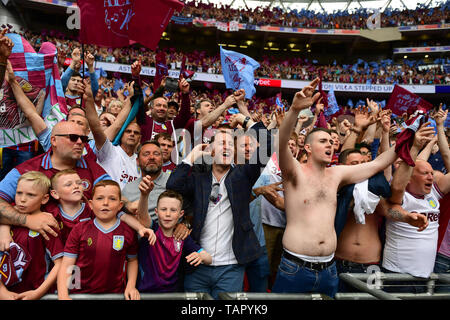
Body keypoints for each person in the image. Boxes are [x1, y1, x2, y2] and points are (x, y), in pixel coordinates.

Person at [273, 78, 402, 298]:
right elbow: (281, 142)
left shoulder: (337, 174)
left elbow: (378, 164)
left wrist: (408, 141)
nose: (330, 145)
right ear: (307, 148)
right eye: (323, 141)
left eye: (331, 142)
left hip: (329, 270)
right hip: (295, 268)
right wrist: (294, 109)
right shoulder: (294, 172)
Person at [167, 110, 271, 299]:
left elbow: (268, 143)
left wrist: (246, 120)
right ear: (211, 150)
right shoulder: (198, 180)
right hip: (197, 263)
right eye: (222, 143)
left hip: (231, 268)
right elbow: (173, 185)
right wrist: (191, 156)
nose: (227, 147)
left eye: (231, 144)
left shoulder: (242, 176)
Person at [383, 113, 450, 293]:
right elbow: (397, 185)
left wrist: (440, 128)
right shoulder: (402, 196)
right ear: (410, 178)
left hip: (425, 278)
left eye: (431, 173)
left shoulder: (433, 195)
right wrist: (414, 147)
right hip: (397, 277)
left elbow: (447, 159)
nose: (431, 176)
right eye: (425, 173)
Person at [57, 180, 140, 300]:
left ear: (120, 205)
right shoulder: (80, 229)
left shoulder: (127, 231)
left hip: (115, 295)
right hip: (79, 295)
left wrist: (131, 286)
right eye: (100, 198)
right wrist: (63, 295)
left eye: (112, 199)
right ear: (90, 204)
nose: (105, 203)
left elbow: (132, 260)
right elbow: (67, 265)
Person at [0, 171, 63, 300]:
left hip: (37, 293)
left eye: (30, 195)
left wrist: (38, 292)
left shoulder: (47, 225)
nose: (22, 199)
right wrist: (1, 291)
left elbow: (60, 263)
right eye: (19, 193)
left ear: (45, 198)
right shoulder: (5, 219)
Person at [136, 188, 212, 293]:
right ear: (156, 212)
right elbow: (142, 216)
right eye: (163, 209)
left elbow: (209, 259)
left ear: (181, 214)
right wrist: (144, 195)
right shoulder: (151, 230)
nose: (168, 214)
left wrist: (201, 256)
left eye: (173, 210)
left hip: (172, 294)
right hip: (145, 293)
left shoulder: (182, 236)